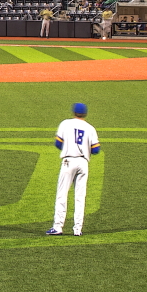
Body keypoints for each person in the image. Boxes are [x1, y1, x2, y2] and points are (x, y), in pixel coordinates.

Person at [46, 102, 101, 237]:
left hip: (68, 161)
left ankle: (58, 227)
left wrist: (68, 147)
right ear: (85, 114)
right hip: (83, 163)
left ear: (74, 112)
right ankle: (77, 229)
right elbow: (96, 149)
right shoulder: (90, 128)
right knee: (80, 197)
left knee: (62, 195)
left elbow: (58, 143)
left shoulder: (65, 124)